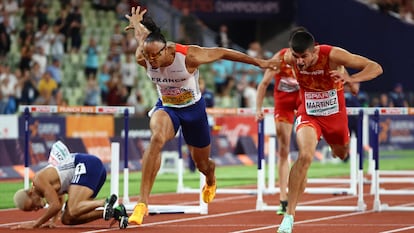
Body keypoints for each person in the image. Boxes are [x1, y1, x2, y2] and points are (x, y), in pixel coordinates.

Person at [124, 6, 279, 225]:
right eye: (147, 56)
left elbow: (223, 52)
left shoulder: (189, 55)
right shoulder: (144, 55)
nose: (151, 61)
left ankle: (211, 177)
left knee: (202, 163)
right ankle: (142, 203)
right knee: (156, 138)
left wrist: (259, 63)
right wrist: (137, 24)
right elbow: (143, 37)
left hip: (193, 111)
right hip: (167, 107)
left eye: (154, 56)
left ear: (166, 50)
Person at [275, 28, 383, 233]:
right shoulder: (289, 57)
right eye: (295, 57)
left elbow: (375, 67)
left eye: (303, 57)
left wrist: (352, 79)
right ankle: (288, 217)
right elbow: (266, 65)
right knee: (305, 156)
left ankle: (339, 148)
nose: (299, 62)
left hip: (335, 118)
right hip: (309, 114)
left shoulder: (332, 55)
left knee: (341, 153)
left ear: (314, 51)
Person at [12, 141, 128, 229]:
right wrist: (53, 221)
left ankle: (104, 202)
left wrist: (36, 224)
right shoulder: (46, 186)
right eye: (32, 210)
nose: (36, 209)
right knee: (67, 218)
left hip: (86, 164)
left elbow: (55, 205)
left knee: (73, 208)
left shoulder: (38, 180)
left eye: (32, 205)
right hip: (93, 170)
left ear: (31, 193)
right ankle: (115, 212)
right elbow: (59, 198)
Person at [256, 47, 300, 215]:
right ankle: (283, 198)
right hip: (284, 103)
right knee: (284, 149)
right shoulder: (279, 59)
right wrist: (258, 109)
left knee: (306, 146)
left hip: (304, 100)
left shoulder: (313, 55)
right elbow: (264, 84)